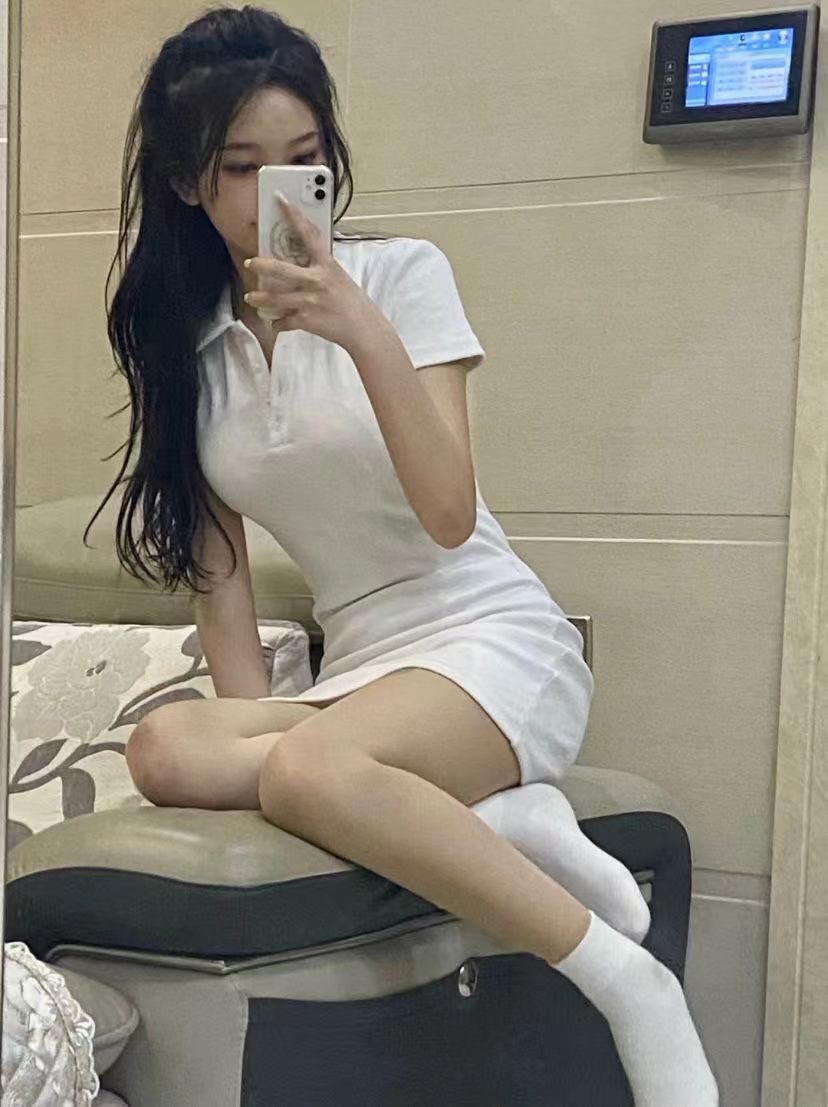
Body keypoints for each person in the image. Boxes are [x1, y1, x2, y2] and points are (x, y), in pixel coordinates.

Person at [87, 7, 719, 1104]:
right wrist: (250, 743)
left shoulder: (404, 276)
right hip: (363, 673)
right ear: (188, 182)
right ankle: (497, 817)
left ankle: (628, 983)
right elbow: (220, 577)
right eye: (243, 168)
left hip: (487, 639)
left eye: (305, 159)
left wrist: (359, 328)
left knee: (308, 769)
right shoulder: (191, 344)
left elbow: (448, 512)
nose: (281, 191)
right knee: (167, 750)